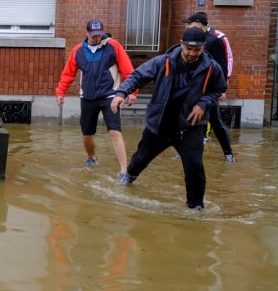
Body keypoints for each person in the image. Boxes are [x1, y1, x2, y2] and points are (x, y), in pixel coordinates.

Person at [110, 26, 227, 211]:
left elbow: (218, 90)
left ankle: (196, 206)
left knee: (194, 166)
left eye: (197, 50)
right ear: (181, 44)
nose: (192, 53)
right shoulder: (163, 61)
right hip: (160, 124)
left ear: (203, 47)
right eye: (188, 48)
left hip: (190, 126)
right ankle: (129, 177)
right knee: (140, 158)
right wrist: (122, 93)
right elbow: (138, 76)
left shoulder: (212, 67)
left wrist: (203, 104)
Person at [55, 19, 137, 178]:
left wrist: (132, 92)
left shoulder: (113, 46)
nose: (97, 38)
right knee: (87, 133)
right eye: (94, 36)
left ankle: (124, 171)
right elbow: (68, 74)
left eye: (99, 35)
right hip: (88, 98)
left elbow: (128, 71)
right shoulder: (78, 50)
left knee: (114, 131)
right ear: (87, 34)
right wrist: (60, 92)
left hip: (110, 96)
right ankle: (92, 157)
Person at [183, 12, 235, 162]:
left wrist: (221, 89)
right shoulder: (189, 40)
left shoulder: (215, 40)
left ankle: (228, 153)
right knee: (188, 119)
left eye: (189, 24)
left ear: (199, 24)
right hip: (192, 88)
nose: (187, 27)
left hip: (208, 89)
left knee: (216, 121)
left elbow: (222, 65)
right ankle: (185, 151)